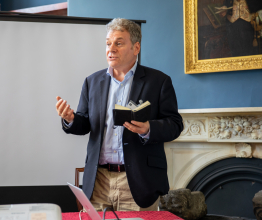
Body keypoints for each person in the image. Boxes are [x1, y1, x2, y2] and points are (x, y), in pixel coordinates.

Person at [55, 18, 183, 211]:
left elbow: (175, 124)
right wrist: (71, 119)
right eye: (108, 43)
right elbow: (85, 124)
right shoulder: (92, 81)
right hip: (99, 181)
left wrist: (149, 128)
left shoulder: (159, 81)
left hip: (137, 181)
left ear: (136, 47)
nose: (111, 49)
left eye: (119, 43)